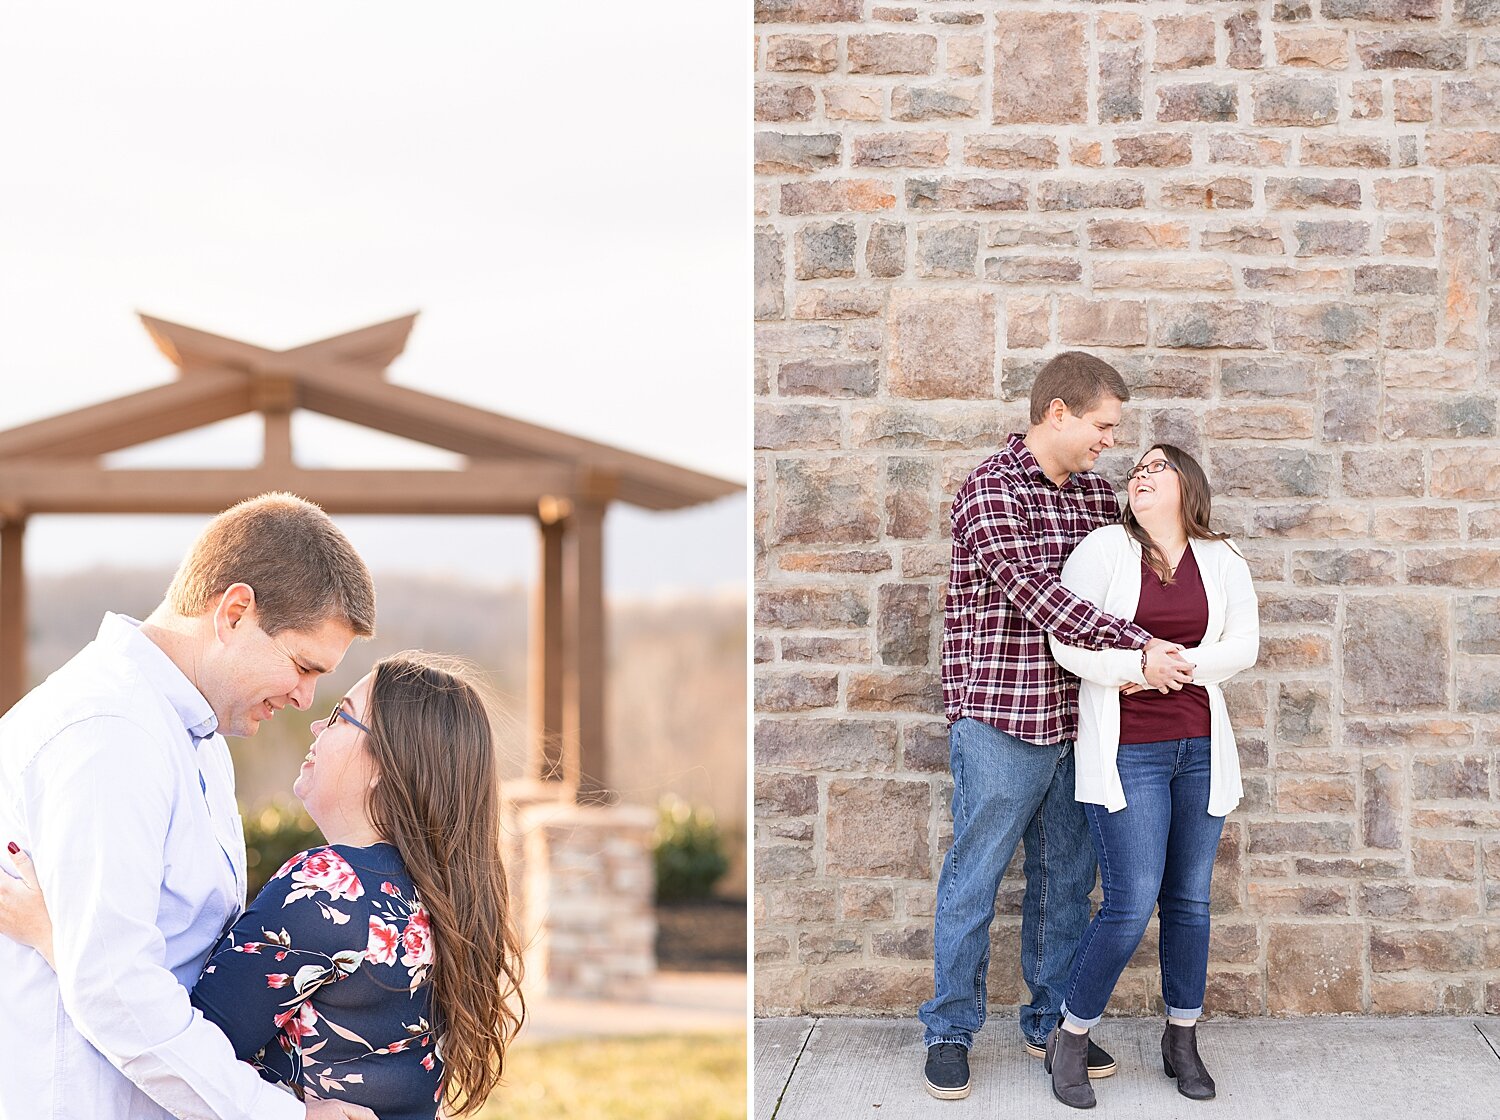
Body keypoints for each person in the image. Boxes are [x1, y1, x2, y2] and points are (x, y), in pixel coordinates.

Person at [2, 650, 526, 1120]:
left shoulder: (328, 886)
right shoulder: (427, 897)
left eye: (343, 715)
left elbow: (179, 1045)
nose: (318, 722)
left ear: (383, 767)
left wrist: (56, 936)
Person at [0, 492, 379, 1120]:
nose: (307, 699)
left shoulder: (194, 732)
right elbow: (116, 988)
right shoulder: (110, 733)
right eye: (301, 666)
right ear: (234, 612)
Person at [919, 352, 1196, 1100]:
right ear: (1058, 413)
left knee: (1067, 884)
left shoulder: (1095, 500)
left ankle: (1048, 1024)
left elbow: (1135, 572)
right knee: (974, 880)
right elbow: (1037, 595)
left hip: (1080, 723)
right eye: (1103, 426)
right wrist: (1139, 647)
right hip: (1001, 718)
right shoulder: (989, 490)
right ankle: (949, 1031)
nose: (1110, 440)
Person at [1043, 444, 1258, 1109]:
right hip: (1129, 751)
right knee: (1131, 902)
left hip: (1199, 747)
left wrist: (1176, 665)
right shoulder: (1104, 548)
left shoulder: (1222, 559)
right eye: (1136, 468)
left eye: (1157, 467)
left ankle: (1182, 1038)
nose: (1141, 473)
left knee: (1190, 900)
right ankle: (1070, 1035)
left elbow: (1244, 645)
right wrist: (1137, 668)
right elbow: (1066, 639)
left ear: (1187, 485)